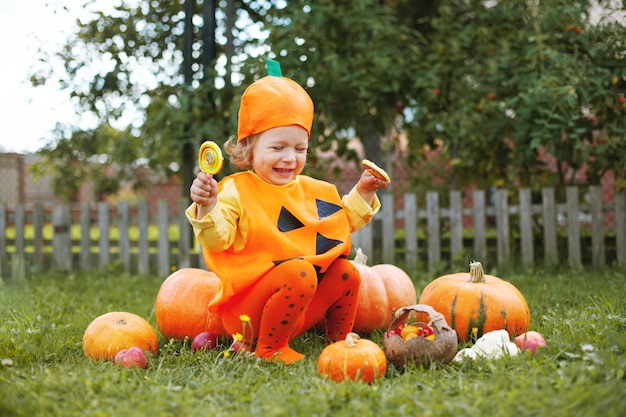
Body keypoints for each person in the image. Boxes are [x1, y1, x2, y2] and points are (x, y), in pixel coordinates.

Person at [186, 61, 389, 364]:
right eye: (278, 147)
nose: (289, 158)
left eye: (299, 149)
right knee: (300, 270)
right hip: (248, 315)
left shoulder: (311, 190)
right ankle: (269, 349)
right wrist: (209, 205)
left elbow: (339, 224)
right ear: (248, 149)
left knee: (346, 272)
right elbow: (218, 240)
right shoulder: (236, 191)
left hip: (298, 307)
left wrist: (364, 191)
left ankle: (340, 342)